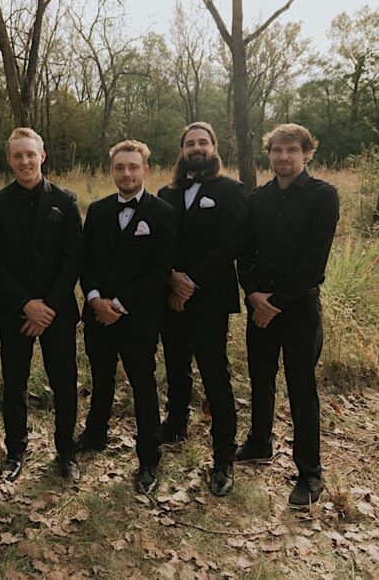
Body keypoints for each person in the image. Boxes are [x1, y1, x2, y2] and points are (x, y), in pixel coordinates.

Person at [236, 123, 339, 508]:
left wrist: (274, 302)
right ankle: (260, 443)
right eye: (277, 150)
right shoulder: (257, 198)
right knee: (260, 379)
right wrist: (252, 295)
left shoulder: (322, 196)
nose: (283, 156)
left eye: (291, 150)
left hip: (297, 309)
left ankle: (310, 473)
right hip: (259, 306)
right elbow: (244, 253)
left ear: (307, 153)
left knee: (301, 387)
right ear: (269, 153)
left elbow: (314, 262)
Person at [0, 128, 83, 483]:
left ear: (42, 156)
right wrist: (27, 304)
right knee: (14, 383)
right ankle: (15, 451)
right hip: (15, 311)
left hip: (57, 312)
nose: (25, 161)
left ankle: (66, 450)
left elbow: (73, 260)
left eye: (30, 154)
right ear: (10, 160)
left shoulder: (66, 200)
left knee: (64, 381)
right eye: (17, 156)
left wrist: (47, 307)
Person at [78, 139, 175, 494]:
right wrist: (95, 300)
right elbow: (85, 261)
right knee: (101, 379)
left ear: (145, 170)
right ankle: (95, 434)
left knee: (143, 385)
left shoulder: (162, 213)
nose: (126, 173)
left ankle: (149, 456)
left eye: (133, 167)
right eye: (119, 167)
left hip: (138, 316)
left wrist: (118, 303)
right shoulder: (98, 210)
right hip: (98, 315)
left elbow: (159, 271)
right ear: (111, 171)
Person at [157, 122, 246, 497]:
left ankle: (224, 456)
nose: (196, 148)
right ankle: (176, 423)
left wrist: (190, 282)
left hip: (209, 298)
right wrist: (172, 278)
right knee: (175, 364)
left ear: (214, 147)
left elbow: (230, 244)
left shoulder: (231, 190)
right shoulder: (166, 192)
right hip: (170, 294)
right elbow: (161, 243)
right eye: (190, 143)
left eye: (202, 142)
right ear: (182, 150)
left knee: (214, 374)